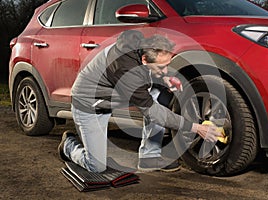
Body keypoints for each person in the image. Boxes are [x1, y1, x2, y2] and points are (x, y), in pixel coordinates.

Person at [58, 30, 222, 173]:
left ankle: (149, 157)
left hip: (113, 96)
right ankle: (68, 145)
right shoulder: (126, 71)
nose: (165, 70)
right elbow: (153, 111)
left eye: (167, 65)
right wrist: (195, 127)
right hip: (90, 107)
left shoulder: (140, 46)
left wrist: (166, 79)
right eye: (161, 67)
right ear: (145, 59)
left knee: (160, 93)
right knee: (96, 166)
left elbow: (148, 72)